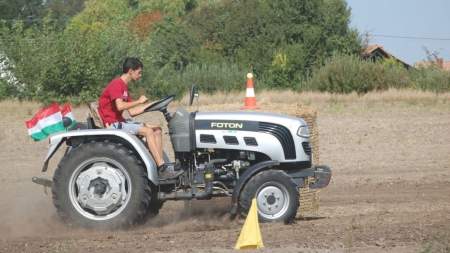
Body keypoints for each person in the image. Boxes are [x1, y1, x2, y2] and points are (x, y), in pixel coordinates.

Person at [98, 57, 182, 179]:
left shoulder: (124, 86)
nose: (140, 75)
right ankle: (161, 168)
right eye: (139, 72)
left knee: (157, 130)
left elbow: (132, 112)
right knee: (148, 131)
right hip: (113, 124)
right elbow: (120, 106)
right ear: (131, 71)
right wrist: (139, 101)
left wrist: (152, 105)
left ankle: (160, 165)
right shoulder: (117, 84)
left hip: (120, 122)